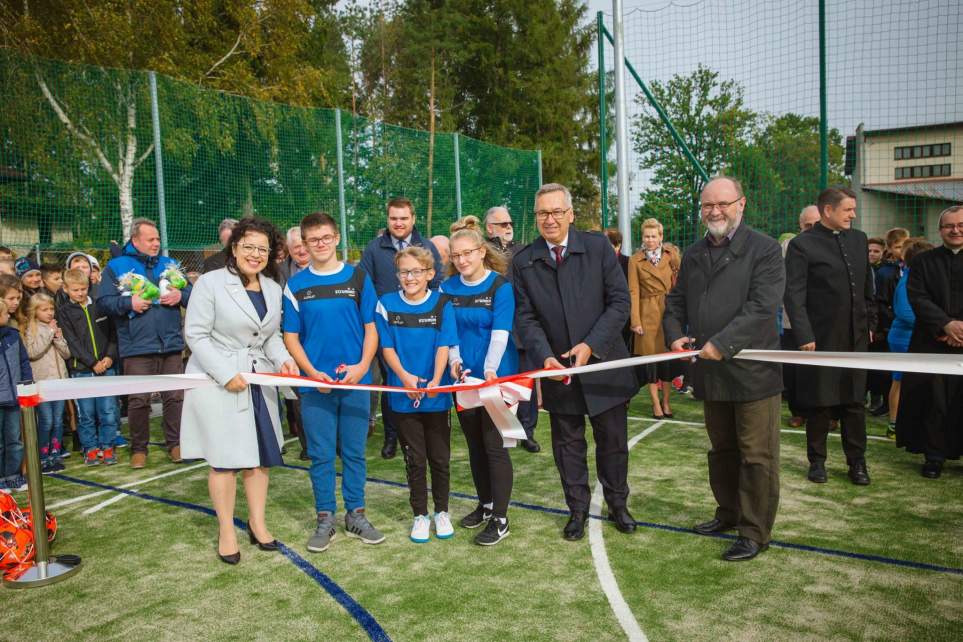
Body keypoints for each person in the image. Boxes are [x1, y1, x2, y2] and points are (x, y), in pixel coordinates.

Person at [662, 176, 784, 562]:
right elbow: (676, 300)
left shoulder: (764, 250)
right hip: (710, 374)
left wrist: (722, 343)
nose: (714, 211)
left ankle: (754, 532)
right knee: (722, 451)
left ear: (741, 204)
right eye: (707, 205)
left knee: (756, 456)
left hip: (753, 375)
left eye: (722, 204)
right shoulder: (695, 253)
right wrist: (673, 334)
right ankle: (728, 514)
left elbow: (762, 307)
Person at [511, 182, 638, 541]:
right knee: (568, 446)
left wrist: (590, 345)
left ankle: (618, 504)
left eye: (555, 212)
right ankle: (577, 511)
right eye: (542, 213)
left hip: (603, 366)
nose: (549, 219)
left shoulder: (598, 248)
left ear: (570, 214)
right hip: (557, 372)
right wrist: (545, 357)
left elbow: (619, 303)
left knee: (613, 442)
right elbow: (526, 318)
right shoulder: (524, 261)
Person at [180, 217, 299, 565]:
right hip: (220, 383)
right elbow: (196, 335)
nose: (255, 254)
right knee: (225, 461)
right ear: (234, 248)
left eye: (262, 249)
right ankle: (226, 530)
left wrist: (284, 362)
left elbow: (271, 338)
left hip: (258, 381)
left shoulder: (273, 287)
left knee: (260, 459)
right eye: (249, 246)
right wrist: (224, 372)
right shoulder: (211, 283)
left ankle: (257, 523)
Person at [282, 212, 385, 553]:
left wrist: (361, 366)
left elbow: (372, 329)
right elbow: (291, 337)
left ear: (337, 238)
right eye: (313, 240)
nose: (321, 244)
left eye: (326, 237)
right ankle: (325, 517)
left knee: (355, 453)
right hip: (315, 386)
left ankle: (356, 514)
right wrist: (311, 373)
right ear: (304, 245)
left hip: (356, 382)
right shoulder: (295, 286)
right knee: (322, 455)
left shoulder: (358, 277)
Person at [784, 187, 876, 486]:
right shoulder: (802, 245)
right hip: (820, 338)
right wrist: (804, 334)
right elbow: (794, 294)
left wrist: (870, 323)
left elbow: (866, 289)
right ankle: (817, 461)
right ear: (827, 210)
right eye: (848, 209)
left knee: (854, 403)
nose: (853, 214)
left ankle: (857, 464)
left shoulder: (859, 239)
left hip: (856, 337)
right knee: (820, 402)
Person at [442, 216, 518, 546]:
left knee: (495, 445)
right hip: (464, 378)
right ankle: (485, 506)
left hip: (497, 376)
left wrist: (489, 371)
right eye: (455, 256)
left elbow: (501, 334)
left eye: (468, 253)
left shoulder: (501, 287)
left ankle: (501, 519)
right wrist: (456, 363)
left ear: (482, 251)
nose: (462, 261)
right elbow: (450, 333)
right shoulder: (446, 288)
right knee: (474, 445)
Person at [375, 246, 458, 543]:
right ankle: (420, 515)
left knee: (440, 458)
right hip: (403, 396)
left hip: (436, 396)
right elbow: (387, 349)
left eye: (416, 271)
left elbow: (443, 346)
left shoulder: (442, 304)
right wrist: (407, 379)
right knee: (415, 459)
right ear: (397, 275)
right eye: (404, 272)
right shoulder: (385, 304)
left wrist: (435, 380)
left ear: (430, 274)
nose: (410, 277)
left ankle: (442, 512)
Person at [98, 218, 192, 468]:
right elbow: (103, 302)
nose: (156, 243)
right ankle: (139, 448)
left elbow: (193, 294)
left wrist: (180, 295)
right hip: (136, 346)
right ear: (135, 240)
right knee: (139, 400)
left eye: (158, 239)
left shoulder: (169, 263)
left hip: (171, 344)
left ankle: (176, 444)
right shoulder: (116, 267)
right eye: (151, 239)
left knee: (174, 397)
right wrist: (129, 304)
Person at [360, 196, 444, 460]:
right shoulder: (374, 249)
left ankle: (428, 430)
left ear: (413, 219)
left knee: (424, 377)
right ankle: (391, 436)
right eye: (394, 218)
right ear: (388, 220)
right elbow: (366, 287)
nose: (398, 223)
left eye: (403, 218)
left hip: (423, 329)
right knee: (392, 381)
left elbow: (438, 281)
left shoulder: (427, 246)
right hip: (390, 328)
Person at [895, 205, 963, 478]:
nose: (956, 230)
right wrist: (946, 325)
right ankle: (933, 456)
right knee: (932, 401)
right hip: (931, 341)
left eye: (961, 225)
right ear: (940, 230)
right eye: (949, 226)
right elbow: (918, 297)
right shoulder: (923, 262)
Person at [486, 205, 539, 452]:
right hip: (495, 330)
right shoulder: (482, 253)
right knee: (499, 384)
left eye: (510, 224)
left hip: (524, 327)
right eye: (503, 224)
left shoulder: (523, 252)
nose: (509, 228)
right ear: (490, 228)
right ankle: (503, 431)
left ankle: (527, 432)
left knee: (526, 382)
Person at [57, 268, 121, 467]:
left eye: (83, 289)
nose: (80, 293)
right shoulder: (64, 312)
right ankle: (90, 448)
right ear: (66, 289)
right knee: (86, 414)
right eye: (75, 290)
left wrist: (109, 357)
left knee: (108, 411)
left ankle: (107, 446)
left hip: (107, 368)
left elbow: (113, 333)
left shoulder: (101, 306)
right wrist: (92, 363)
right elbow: (72, 342)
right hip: (82, 371)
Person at [628, 218, 682, 419]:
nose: (649, 240)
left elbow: (681, 283)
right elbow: (633, 291)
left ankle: (666, 401)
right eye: (646, 236)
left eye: (653, 236)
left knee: (667, 360)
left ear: (661, 237)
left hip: (669, 312)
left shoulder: (672, 256)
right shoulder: (635, 260)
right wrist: (635, 320)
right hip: (647, 313)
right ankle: (655, 404)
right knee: (651, 362)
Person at [886, 238, 933, 439]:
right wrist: (938, 325)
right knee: (900, 381)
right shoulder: (909, 279)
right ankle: (894, 424)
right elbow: (906, 312)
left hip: (913, 336)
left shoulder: (917, 277)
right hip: (904, 337)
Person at [19, 292, 70, 471]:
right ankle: (43, 456)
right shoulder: (30, 329)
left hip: (60, 381)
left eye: (51, 309)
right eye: (44, 309)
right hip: (43, 383)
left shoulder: (54, 327)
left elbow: (66, 354)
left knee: (57, 421)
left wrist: (58, 337)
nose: (50, 313)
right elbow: (32, 353)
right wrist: (49, 333)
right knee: (46, 421)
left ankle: (55, 455)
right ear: (35, 311)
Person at [0, 301, 31, 493]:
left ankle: (13, 475)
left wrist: (27, 385)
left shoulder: (13, 336)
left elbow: (24, 362)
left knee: (15, 440)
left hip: (13, 398)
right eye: (4, 313)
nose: (8, 315)